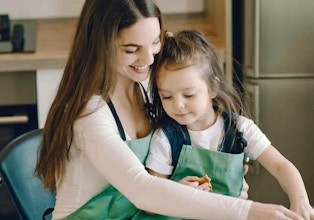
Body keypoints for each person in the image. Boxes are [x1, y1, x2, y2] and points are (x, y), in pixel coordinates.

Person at [34, 0, 307, 219]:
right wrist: (247, 211)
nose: (148, 58)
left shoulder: (144, 87)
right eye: (131, 49)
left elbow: (163, 172)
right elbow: (142, 189)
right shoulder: (90, 112)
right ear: (100, 44)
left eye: (154, 43)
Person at [146, 29, 314, 219]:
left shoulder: (240, 129)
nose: (177, 104)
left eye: (189, 94)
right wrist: (177, 191)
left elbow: (281, 166)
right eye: (166, 96)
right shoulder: (166, 137)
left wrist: (300, 200)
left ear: (213, 88)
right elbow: (149, 201)